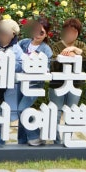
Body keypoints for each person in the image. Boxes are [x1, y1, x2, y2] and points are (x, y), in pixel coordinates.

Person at [49, 18, 86, 145]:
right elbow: (53, 63)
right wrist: (65, 55)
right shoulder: (56, 46)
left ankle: (68, 139)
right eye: (68, 31)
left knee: (72, 112)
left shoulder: (80, 45)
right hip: (57, 85)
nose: (70, 34)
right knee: (55, 113)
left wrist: (76, 51)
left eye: (74, 31)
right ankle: (56, 140)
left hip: (75, 85)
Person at [16, 17, 54, 146]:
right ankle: (22, 141)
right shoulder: (23, 43)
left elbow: (47, 68)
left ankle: (36, 135)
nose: (38, 35)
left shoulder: (46, 50)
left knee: (23, 109)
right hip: (20, 82)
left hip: (34, 84)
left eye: (42, 32)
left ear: (46, 34)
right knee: (19, 110)